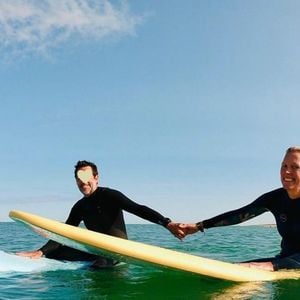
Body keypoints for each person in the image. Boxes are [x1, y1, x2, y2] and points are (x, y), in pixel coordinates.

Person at [17, 160, 184, 268]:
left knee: (100, 265)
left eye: (87, 176)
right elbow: (64, 232)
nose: (83, 182)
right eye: (79, 178)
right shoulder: (80, 206)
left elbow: (138, 208)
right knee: (54, 253)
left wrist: (166, 223)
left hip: (117, 251)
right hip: (95, 249)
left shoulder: (110, 195)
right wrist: (41, 252)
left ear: (96, 177)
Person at [180, 146, 300, 271]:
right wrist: (199, 226)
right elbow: (239, 215)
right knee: (230, 270)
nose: (286, 171)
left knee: (252, 268)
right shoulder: (275, 198)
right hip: (284, 261)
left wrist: (273, 265)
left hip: (288, 265)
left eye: (295, 167)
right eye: (284, 166)